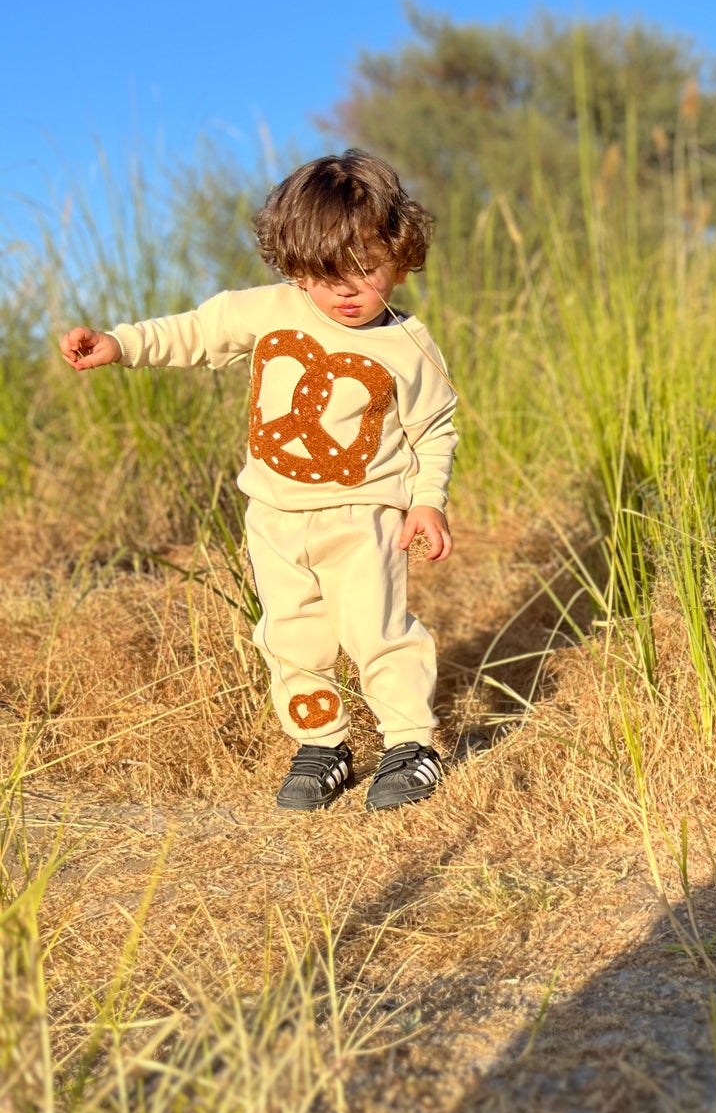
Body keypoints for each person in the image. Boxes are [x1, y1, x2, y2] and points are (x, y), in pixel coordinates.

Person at [60, 150, 459, 814]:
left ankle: (409, 746)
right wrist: (120, 342)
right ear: (295, 265)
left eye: (367, 268)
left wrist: (427, 503)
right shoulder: (267, 309)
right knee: (290, 633)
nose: (347, 289)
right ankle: (321, 743)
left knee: (378, 629)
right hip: (274, 516)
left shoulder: (408, 345)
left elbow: (434, 427)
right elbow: (191, 331)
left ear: (400, 252)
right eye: (326, 274)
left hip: (365, 517)